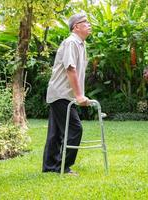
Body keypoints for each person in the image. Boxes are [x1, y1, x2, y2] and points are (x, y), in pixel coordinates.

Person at [42, 13, 91, 175]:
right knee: (75, 129)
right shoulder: (71, 43)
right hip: (61, 94)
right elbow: (71, 69)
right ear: (76, 27)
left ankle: (50, 167)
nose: (89, 25)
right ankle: (63, 167)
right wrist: (79, 96)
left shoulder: (81, 44)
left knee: (55, 133)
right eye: (85, 23)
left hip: (60, 94)